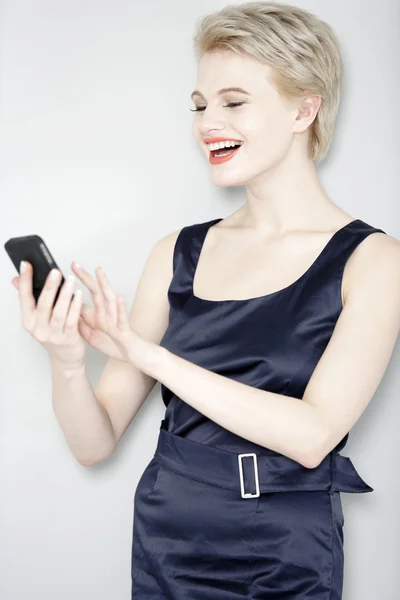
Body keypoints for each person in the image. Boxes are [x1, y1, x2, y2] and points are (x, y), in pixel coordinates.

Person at [12, 2, 400, 599]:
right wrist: (67, 361)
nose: (206, 123)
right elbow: (94, 444)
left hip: (284, 546)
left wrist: (147, 354)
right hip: (169, 531)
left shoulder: (374, 260)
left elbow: (313, 434)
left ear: (304, 108)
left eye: (233, 102)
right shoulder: (178, 252)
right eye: (199, 105)